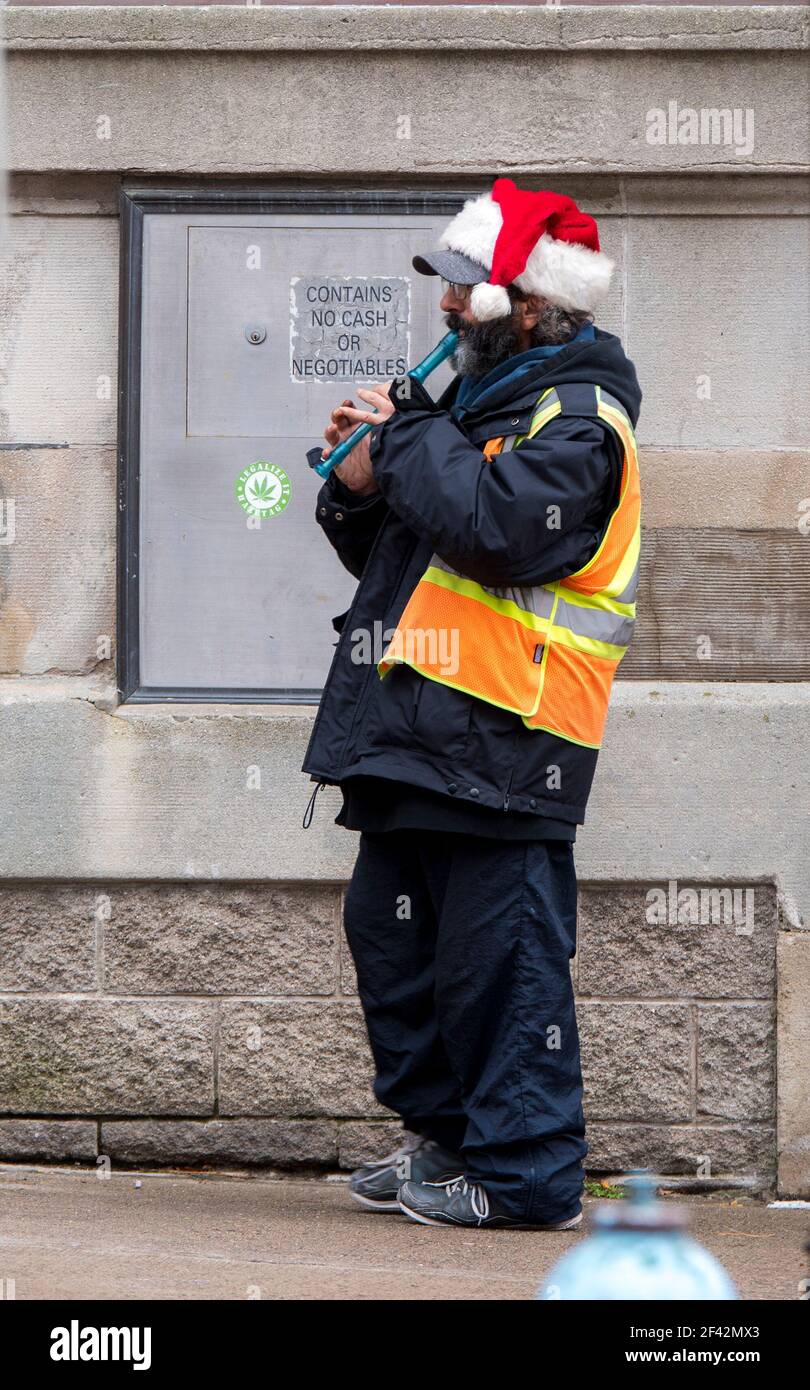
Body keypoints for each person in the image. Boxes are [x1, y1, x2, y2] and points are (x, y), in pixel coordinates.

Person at [302, 179, 642, 1230]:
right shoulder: (476, 407)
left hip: (509, 745)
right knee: (397, 946)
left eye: (467, 290)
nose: (446, 309)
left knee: (500, 968)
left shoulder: (581, 417)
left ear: (533, 304)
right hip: (417, 738)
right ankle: (444, 1145)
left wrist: (406, 438)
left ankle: (525, 1176)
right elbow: (409, 560)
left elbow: (501, 530)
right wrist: (359, 481)